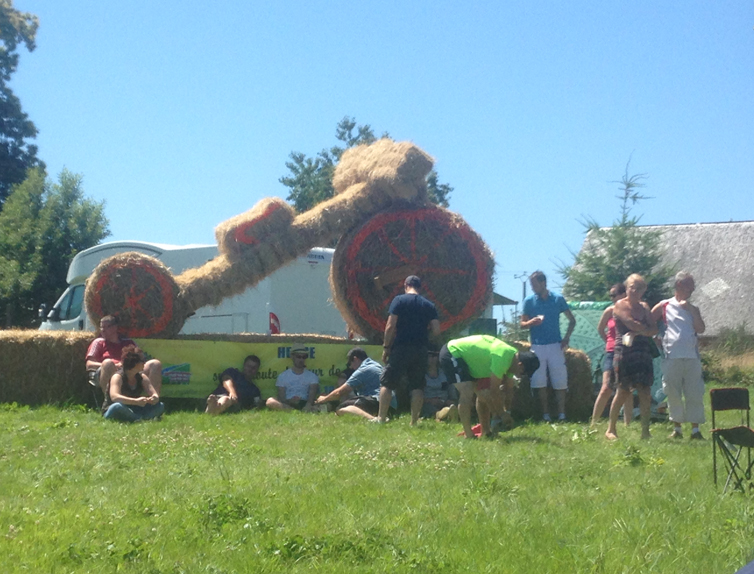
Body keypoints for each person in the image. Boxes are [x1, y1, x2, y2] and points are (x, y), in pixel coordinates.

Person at [439, 334, 540, 439]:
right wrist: (502, 414)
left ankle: (486, 432)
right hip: (453, 352)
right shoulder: (502, 357)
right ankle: (469, 435)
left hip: (471, 361)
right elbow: (494, 391)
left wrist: (507, 412)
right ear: (520, 365)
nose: (520, 376)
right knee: (467, 391)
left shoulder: (512, 360)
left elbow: (508, 389)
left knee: (484, 394)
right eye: (523, 373)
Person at [376, 275, 441, 425]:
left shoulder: (399, 300)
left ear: (405, 285)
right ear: (420, 287)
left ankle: (381, 418)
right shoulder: (429, 305)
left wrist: (386, 347)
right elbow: (437, 330)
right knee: (417, 386)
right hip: (420, 349)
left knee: (387, 382)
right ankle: (414, 421)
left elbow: (390, 326)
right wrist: (425, 336)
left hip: (401, 347)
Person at [651, 271, 706, 440]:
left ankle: (695, 430)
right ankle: (677, 429)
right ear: (680, 285)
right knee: (672, 391)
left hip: (692, 356)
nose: (693, 289)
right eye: (690, 285)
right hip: (671, 355)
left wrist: (690, 310)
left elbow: (701, 329)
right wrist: (654, 337)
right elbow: (649, 321)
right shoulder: (664, 305)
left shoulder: (693, 308)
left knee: (694, 392)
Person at [606, 274, 658, 440]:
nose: (635, 291)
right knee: (623, 390)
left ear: (643, 290)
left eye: (639, 288)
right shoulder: (620, 305)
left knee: (645, 391)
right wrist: (644, 329)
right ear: (626, 288)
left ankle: (645, 431)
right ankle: (611, 429)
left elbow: (654, 329)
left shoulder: (644, 307)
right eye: (631, 287)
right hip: (625, 352)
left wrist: (640, 331)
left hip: (643, 353)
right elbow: (631, 323)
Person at [520, 271, 576, 422]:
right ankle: (546, 414)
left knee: (560, 379)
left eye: (534, 284)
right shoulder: (529, 301)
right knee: (539, 381)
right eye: (531, 285)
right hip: (537, 345)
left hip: (555, 345)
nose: (532, 287)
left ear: (543, 283)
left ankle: (562, 414)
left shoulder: (557, 299)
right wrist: (531, 322)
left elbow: (572, 320)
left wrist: (566, 338)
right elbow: (522, 324)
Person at [85, 315, 163, 395]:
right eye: (101, 327)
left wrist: (127, 365)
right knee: (107, 363)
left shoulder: (128, 342)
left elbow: (140, 358)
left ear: (115, 327)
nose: (103, 330)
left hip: (131, 372)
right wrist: (113, 365)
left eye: (106, 327)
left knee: (155, 363)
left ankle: (153, 399)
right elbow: (89, 364)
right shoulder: (98, 342)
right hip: (112, 372)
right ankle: (110, 399)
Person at [590, 283, 633, 427]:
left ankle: (627, 423)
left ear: (623, 295)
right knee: (606, 388)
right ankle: (594, 422)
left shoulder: (631, 310)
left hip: (627, 350)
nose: (611, 298)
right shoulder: (609, 311)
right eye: (611, 295)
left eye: (614, 295)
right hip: (611, 351)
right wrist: (609, 341)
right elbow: (600, 329)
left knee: (626, 388)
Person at [315, 347, 385, 419]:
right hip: (387, 403)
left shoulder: (363, 370)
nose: (351, 367)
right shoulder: (376, 365)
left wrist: (324, 399)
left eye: (350, 364)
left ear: (355, 359)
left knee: (341, 408)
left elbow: (340, 392)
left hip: (376, 400)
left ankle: (374, 419)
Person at [102, 345, 165, 422]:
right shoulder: (118, 377)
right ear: (134, 363)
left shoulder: (142, 377)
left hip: (135, 409)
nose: (144, 363)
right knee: (117, 407)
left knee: (160, 406)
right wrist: (136, 401)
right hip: (117, 408)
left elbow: (154, 394)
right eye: (142, 360)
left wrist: (153, 398)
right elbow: (115, 397)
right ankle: (141, 418)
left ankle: (136, 418)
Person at [266, 345, 320, 412]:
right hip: (288, 403)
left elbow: (311, 398)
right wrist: (290, 401)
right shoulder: (283, 376)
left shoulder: (312, 376)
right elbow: (282, 398)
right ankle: (294, 411)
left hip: (304, 403)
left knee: (325, 405)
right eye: (298, 357)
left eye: (304, 357)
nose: (301, 360)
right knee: (270, 401)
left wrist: (307, 405)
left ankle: (302, 411)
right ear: (292, 357)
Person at [421, 347, 458, 421]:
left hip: (444, 401)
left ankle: (448, 413)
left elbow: (450, 387)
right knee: (428, 408)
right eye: (430, 356)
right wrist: (430, 400)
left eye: (435, 356)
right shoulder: (420, 374)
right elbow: (417, 394)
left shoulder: (444, 372)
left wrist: (451, 400)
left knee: (454, 405)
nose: (432, 359)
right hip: (428, 403)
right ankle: (441, 414)